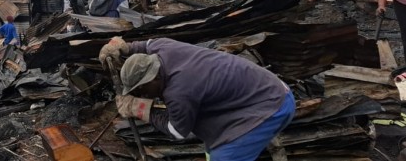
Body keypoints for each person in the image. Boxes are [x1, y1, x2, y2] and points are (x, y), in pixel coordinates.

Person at [99, 38, 294, 161]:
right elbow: (145, 45)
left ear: (153, 79)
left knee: (223, 156)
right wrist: (122, 47)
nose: (140, 94)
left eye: (141, 89)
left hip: (272, 105)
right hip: (258, 91)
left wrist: (140, 108)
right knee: (213, 143)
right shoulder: (162, 49)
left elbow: (178, 131)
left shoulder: (180, 92)